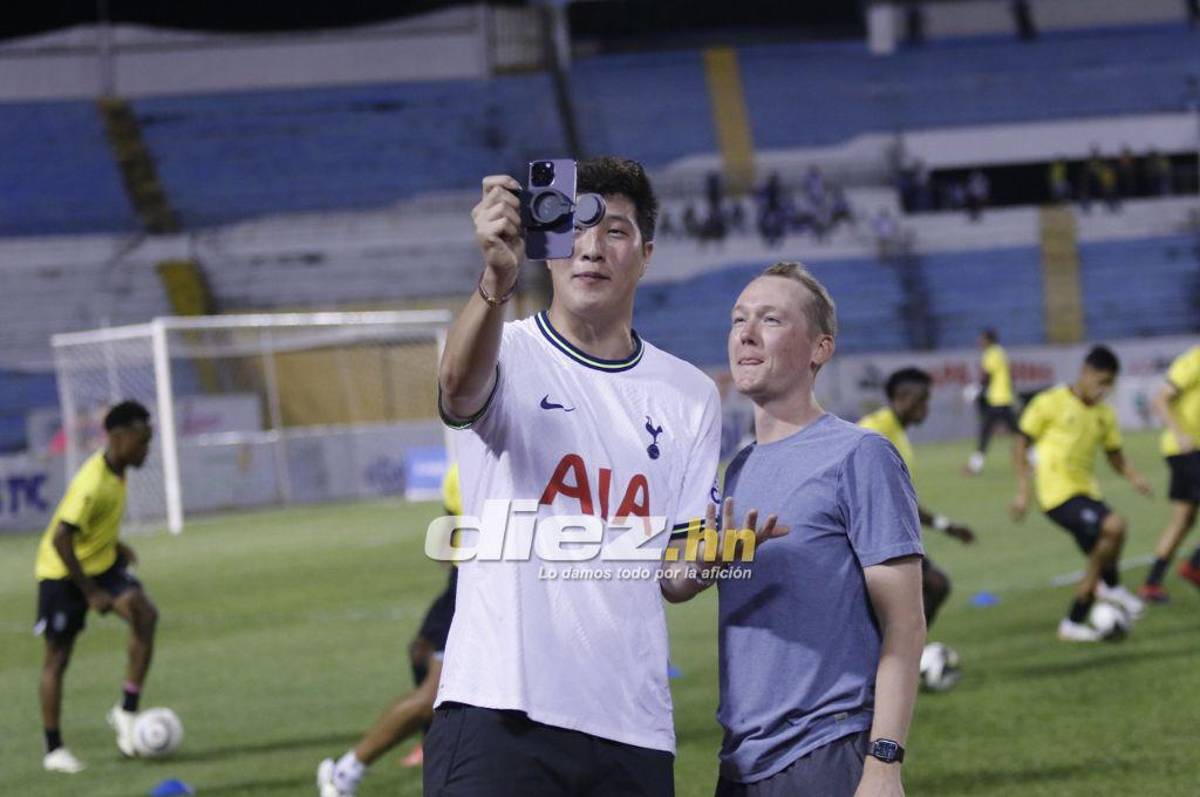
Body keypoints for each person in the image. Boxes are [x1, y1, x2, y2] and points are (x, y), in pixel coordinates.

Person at [427, 157, 723, 796]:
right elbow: (457, 388)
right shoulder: (504, 349)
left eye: (614, 231)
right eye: (574, 227)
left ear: (645, 253)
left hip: (633, 729)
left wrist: (719, 555)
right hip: (499, 712)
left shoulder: (690, 395)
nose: (591, 248)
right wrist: (495, 280)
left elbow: (674, 574)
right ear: (545, 247)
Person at [687, 262, 926, 796]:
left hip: (825, 751)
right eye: (738, 319)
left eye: (770, 319)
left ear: (820, 349)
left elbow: (905, 624)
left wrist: (884, 763)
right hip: (741, 761)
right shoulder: (738, 469)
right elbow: (676, 583)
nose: (746, 333)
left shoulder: (860, 455)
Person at [317, 463, 463, 796]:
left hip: (482, 585)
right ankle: (352, 770)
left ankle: (348, 771)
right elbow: (448, 540)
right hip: (468, 585)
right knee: (423, 663)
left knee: (434, 687)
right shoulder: (459, 473)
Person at [34, 400, 157, 773]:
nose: (146, 449)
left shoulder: (119, 473)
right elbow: (61, 539)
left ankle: (125, 712)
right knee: (58, 657)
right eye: (141, 441)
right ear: (118, 438)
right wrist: (90, 593)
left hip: (100, 565)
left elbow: (95, 526)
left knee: (144, 614)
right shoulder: (91, 483)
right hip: (61, 573)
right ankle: (54, 750)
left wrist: (116, 547)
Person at [1010, 346, 1151, 641]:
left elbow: (1114, 454)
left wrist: (1134, 477)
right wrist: (1023, 492)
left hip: (1087, 492)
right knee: (1114, 526)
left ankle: (1074, 622)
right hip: (1056, 494)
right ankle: (1112, 587)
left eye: (1109, 383)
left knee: (1099, 557)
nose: (1104, 389)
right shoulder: (1050, 401)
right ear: (1085, 373)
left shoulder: (1104, 414)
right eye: (1101, 381)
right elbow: (1021, 444)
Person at [860, 368, 976, 627]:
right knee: (928, 588)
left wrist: (947, 527)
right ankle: (897, 659)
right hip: (870, 539)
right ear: (901, 397)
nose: (926, 407)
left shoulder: (897, 434)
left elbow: (900, 499)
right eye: (921, 399)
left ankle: (900, 659)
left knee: (933, 587)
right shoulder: (873, 430)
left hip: (889, 535)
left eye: (928, 399)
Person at [1139, 345, 1200, 602]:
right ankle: (1195, 567)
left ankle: (1152, 583)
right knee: (1183, 517)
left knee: (1184, 517)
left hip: (1191, 451)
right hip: (1187, 450)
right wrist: (1180, 434)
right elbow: (1161, 399)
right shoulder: (1194, 360)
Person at [965, 328, 1018, 475]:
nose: (979, 342)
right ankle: (1035, 461)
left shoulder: (991, 354)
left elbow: (987, 376)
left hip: (997, 399)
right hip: (1004, 398)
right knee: (1015, 431)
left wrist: (976, 389)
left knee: (987, 432)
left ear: (988, 340)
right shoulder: (1001, 352)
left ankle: (975, 466)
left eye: (981, 339)